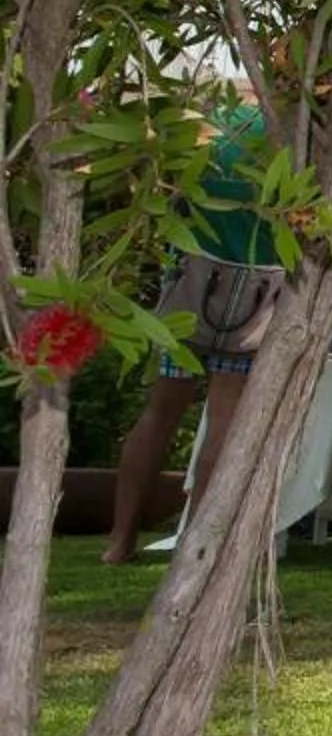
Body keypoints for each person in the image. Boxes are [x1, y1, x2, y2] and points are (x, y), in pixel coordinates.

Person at [105, 105, 286, 563]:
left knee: (160, 412)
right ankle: (195, 542)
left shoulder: (211, 124)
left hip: (190, 283)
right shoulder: (295, 142)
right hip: (257, 291)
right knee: (223, 421)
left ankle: (119, 540)